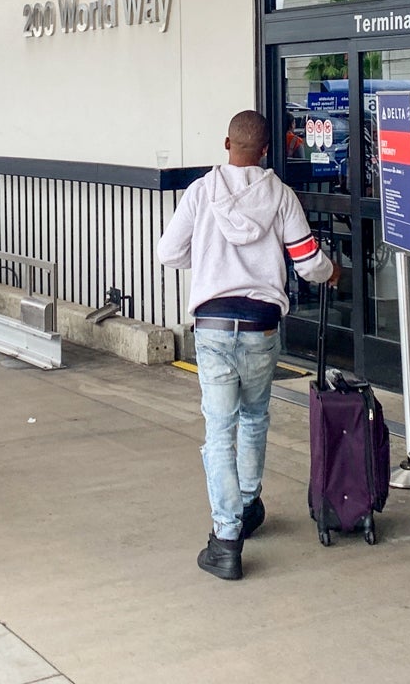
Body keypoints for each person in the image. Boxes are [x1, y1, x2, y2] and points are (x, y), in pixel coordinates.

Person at [156, 109, 340, 582]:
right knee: (255, 416)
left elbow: (168, 253)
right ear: (266, 151)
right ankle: (249, 504)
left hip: (213, 326)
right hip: (261, 326)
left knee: (220, 431)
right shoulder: (280, 195)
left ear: (226, 144)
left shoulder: (201, 192)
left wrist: (209, 259)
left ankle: (225, 540)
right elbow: (308, 263)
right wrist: (333, 272)